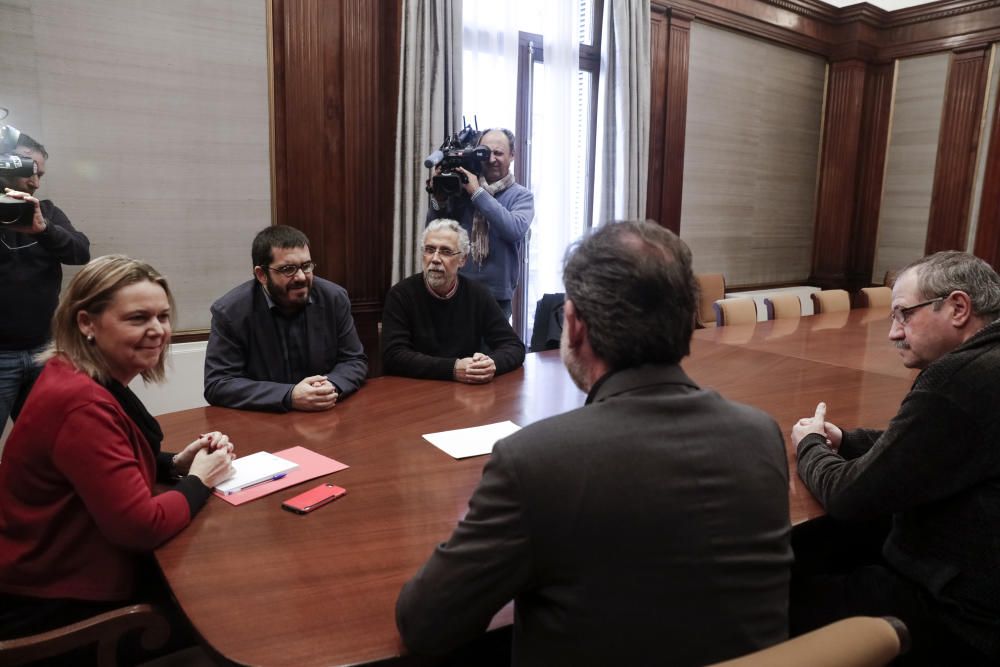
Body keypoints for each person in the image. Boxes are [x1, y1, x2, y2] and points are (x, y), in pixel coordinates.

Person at [396, 220, 792, 666]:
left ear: (574, 325)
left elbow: (425, 624)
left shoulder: (535, 461)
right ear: (687, 320)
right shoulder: (761, 435)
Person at [0, 255, 235, 640]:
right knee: (224, 605)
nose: (158, 330)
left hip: (53, 569)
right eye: (138, 318)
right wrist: (199, 481)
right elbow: (141, 527)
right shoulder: (81, 402)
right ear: (86, 323)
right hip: (56, 599)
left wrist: (174, 463)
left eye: (162, 317)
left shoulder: (71, 373)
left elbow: (97, 462)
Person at [790, 251, 1000, 666]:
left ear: (958, 307)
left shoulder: (961, 377)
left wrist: (810, 444)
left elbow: (849, 496)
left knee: (769, 591)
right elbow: (930, 444)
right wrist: (849, 440)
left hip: (957, 617)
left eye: (903, 314)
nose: (893, 333)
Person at [204, 225, 368, 412]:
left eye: (306, 266)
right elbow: (219, 384)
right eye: (288, 269)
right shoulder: (230, 312)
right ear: (261, 275)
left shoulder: (333, 298)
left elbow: (354, 360)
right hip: (264, 422)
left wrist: (330, 386)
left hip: (325, 415)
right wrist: (289, 395)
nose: (300, 277)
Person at [0, 132, 90, 427]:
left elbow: (80, 253)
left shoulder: (47, 211)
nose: (36, 183)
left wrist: (44, 229)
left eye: (41, 175)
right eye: (31, 173)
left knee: (46, 438)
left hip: (44, 349)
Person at [382, 219, 525, 382]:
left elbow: (514, 347)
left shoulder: (478, 295)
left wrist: (491, 364)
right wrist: (453, 368)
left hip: (465, 393)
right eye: (429, 250)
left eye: (445, 251)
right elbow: (393, 356)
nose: (435, 259)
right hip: (414, 391)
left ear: (463, 259)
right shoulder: (401, 295)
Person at [427, 128, 534, 317]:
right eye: (486, 152)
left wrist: (477, 193)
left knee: (490, 348)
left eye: (499, 153)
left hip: (496, 298)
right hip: (458, 291)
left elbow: (514, 229)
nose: (491, 159)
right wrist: (439, 199)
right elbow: (436, 232)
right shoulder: (463, 189)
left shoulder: (521, 196)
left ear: (512, 156)